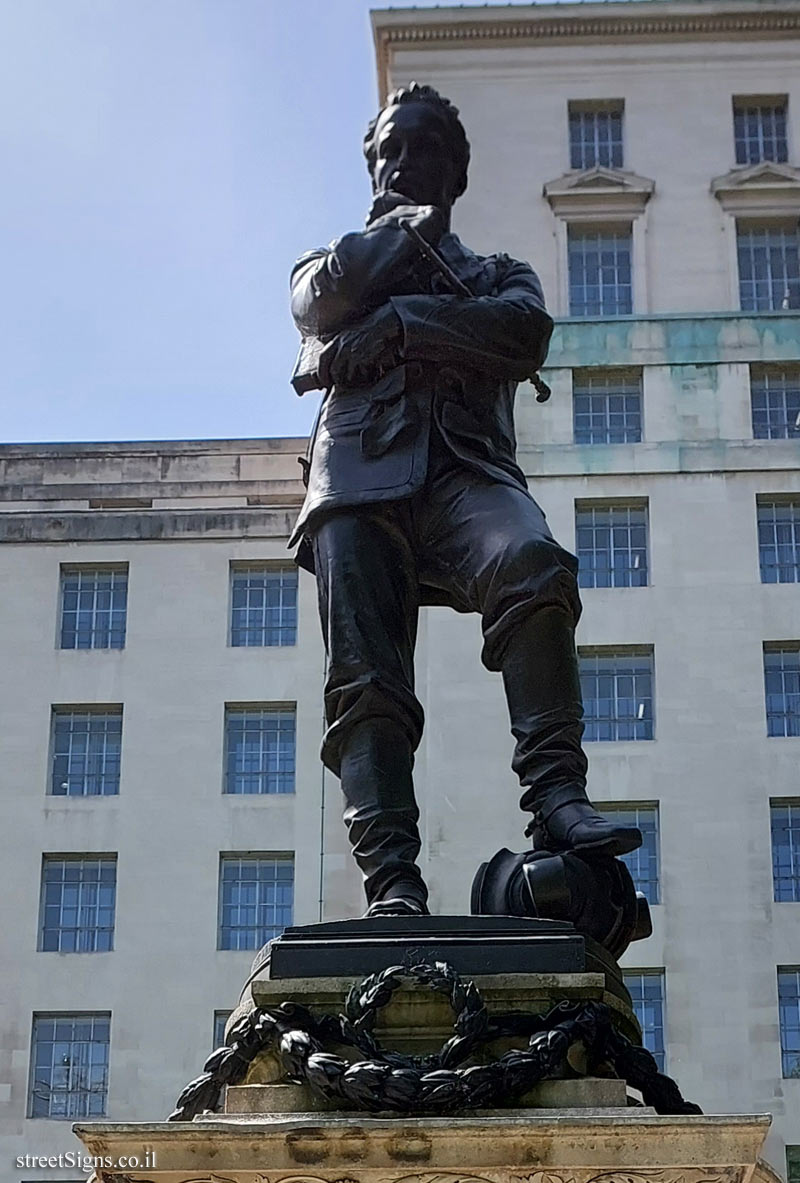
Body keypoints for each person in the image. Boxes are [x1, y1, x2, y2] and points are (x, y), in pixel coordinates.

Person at [288, 83, 642, 917]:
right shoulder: (337, 262)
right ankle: (392, 883)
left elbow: (522, 333)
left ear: (457, 173)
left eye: (424, 153)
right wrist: (400, 235)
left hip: (465, 472)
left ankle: (557, 796)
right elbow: (319, 304)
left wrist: (407, 322)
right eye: (390, 153)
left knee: (533, 561)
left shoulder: (496, 274)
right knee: (364, 680)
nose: (405, 164)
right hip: (356, 481)